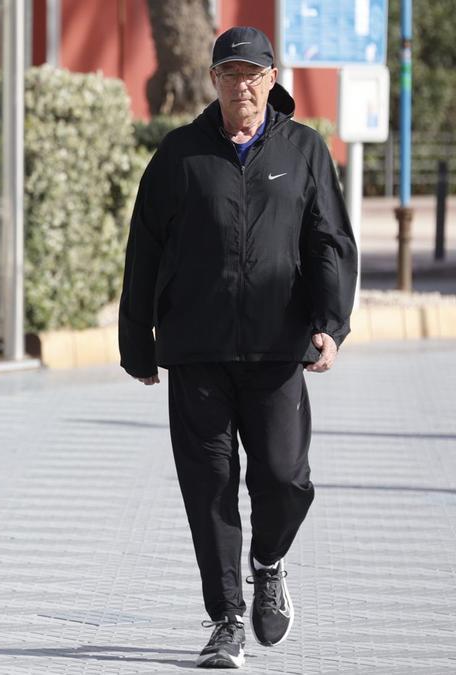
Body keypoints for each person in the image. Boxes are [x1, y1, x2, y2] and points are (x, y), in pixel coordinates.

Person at [118, 27, 356, 669]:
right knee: (210, 488)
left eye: (253, 74)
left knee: (284, 479)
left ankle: (269, 561)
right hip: (198, 349)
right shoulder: (179, 154)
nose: (242, 85)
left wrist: (331, 324)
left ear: (272, 79)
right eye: (230, 74)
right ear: (215, 80)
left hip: (279, 351)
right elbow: (144, 248)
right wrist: (137, 341)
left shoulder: (305, 150)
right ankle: (225, 621)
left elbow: (329, 241)